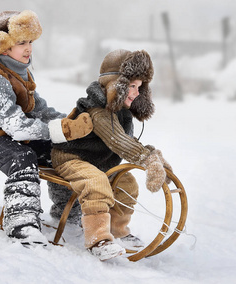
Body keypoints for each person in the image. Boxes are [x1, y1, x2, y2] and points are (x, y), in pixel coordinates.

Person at [0, 10, 92, 246]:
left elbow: (40, 110)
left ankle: (67, 212)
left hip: (7, 133)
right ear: (2, 47)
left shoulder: (21, 73)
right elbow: (16, 126)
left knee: (58, 149)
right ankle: (21, 223)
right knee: (23, 157)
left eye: (30, 41)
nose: (29, 48)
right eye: (21, 42)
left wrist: (70, 122)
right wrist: (60, 130)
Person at [51, 49, 173, 260]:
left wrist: (154, 156)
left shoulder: (121, 111)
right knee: (96, 183)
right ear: (115, 84)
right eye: (132, 86)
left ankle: (118, 230)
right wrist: (146, 159)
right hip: (72, 158)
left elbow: (127, 141)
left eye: (139, 88)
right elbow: (118, 141)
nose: (135, 93)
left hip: (98, 161)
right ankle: (98, 239)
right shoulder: (98, 110)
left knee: (126, 183)